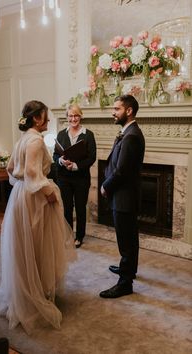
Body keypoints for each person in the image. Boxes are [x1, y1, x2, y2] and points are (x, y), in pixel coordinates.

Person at [0, 100, 76, 334]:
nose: (49, 120)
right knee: (38, 245)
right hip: (34, 199)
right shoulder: (35, 140)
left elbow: (11, 168)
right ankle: (35, 293)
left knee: (25, 246)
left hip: (21, 196)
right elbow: (32, 172)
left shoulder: (22, 139)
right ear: (37, 119)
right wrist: (49, 192)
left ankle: (28, 288)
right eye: (46, 116)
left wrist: (21, 185)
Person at [99, 95, 145, 299]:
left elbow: (122, 171)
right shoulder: (128, 132)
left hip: (124, 196)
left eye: (117, 108)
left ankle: (125, 283)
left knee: (126, 240)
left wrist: (106, 187)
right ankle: (129, 269)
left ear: (129, 111)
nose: (113, 112)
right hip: (124, 195)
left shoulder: (132, 135)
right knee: (129, 237)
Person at [53, 104, 96, 248]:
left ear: (81, 116)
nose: (73, 118)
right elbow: (55, 154)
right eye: (70, 116)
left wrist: (76, 166)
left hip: (81, 178)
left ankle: (79, 236)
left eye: (76, 115)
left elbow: (92, 157)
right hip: (64, 178)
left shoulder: (88, 134)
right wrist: (60, 160)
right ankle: (68, 235)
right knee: (66, 208)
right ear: (67, 117)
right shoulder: (61, 134)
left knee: (80, 207)